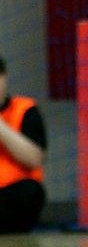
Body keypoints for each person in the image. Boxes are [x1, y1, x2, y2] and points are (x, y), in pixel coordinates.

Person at [0, 55, 48, 233]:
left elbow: (35, 159)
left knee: (30, 192)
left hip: (12, 193)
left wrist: (1, 128)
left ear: (4, 78)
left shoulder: (25, 109)